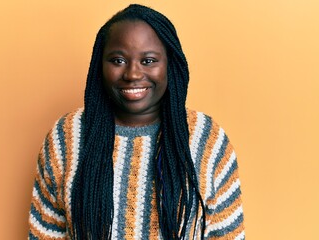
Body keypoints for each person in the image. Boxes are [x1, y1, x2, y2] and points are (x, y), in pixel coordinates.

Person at [28, 4, 245, 240]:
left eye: (149, 60)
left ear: (169, 65)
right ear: (99, 65)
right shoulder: (66, 138)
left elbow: (228, 235)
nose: (132, 74)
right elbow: (44, 234)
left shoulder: (207, 140)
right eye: (118, 60)